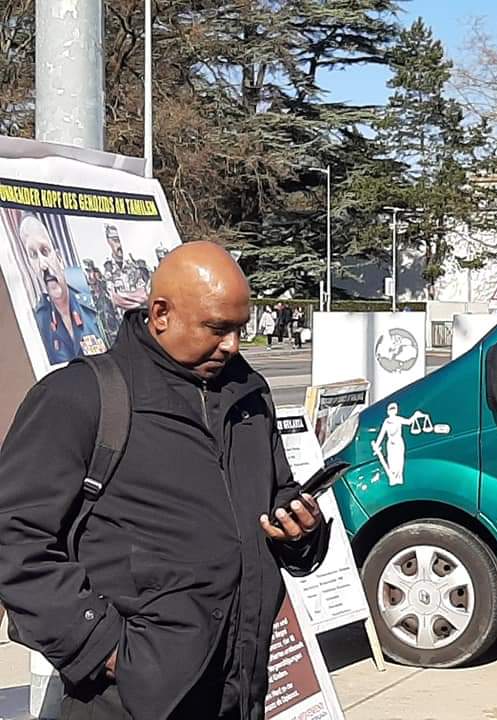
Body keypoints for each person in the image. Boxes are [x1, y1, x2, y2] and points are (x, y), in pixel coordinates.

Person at [0, 242, 330, 720]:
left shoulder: (249, 395)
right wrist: (104, 650)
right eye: (217, 328)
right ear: (160, 314)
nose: (233, 345)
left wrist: (300, 532)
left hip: (240, 687)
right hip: (129, 700)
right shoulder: (81, 396)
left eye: (239, 328)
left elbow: (274, 492)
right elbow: (13, 537)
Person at [18, 212, 106, 363]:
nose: (43, 265)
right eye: (33, 255)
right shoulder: (39, 322)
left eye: (45, 251)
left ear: (59, 258)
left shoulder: (92, 301)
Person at [103, 224, 149, 311]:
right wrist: (134, 297)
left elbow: (143, 296)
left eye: (121, 240)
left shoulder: (134, 267)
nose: (119, 245)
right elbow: (114, 299)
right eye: (115, 240)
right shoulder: (108, 272)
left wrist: (122, 296)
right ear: (109, 241)